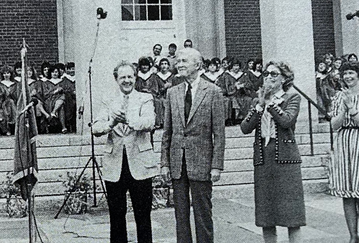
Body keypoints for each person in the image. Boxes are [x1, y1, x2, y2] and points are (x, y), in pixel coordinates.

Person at [161, 48, 226, 243]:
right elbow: (167, 132)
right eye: (178, 61)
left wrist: (216, 165)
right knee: (180, 216)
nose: (178, 64)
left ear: (197, 65)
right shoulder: (172, 93)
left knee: (203, 214)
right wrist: (164, 163)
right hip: (177, 164)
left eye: (184, 61)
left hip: (202, 163)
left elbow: (219, 134)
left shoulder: (213, 92)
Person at [92, 61, 158, 243]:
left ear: (135, 78)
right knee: (116, 215)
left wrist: (129, 119)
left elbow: (149, 122)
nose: (127, 80)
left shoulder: (145, 98)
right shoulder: (108, 99)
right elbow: (96, 128)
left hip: (140, 163)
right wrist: (111, 123)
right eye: (123, 77)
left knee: (143, 214)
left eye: (130, 76)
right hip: (115, 164)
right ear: (116, 79)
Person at [240, 61, 305, 243]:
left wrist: (271, 104)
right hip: (264, 159)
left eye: (274, 74)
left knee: (292, 216)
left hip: (286, 159)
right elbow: (245, 127)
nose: (268, 77)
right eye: (266, 74)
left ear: (284, 78)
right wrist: (260, 105)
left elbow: (287, 121)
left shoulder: (292, 98)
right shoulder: (258, 100)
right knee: (266, 216)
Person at [329, 61, 359, 243]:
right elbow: (334, 125)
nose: (348, 77)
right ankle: (353, 235)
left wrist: (352, 108)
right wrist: (343, 110)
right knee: (347, 192)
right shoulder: (339, 96)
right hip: (344, 143)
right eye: (345, 74)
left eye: (351, 73)